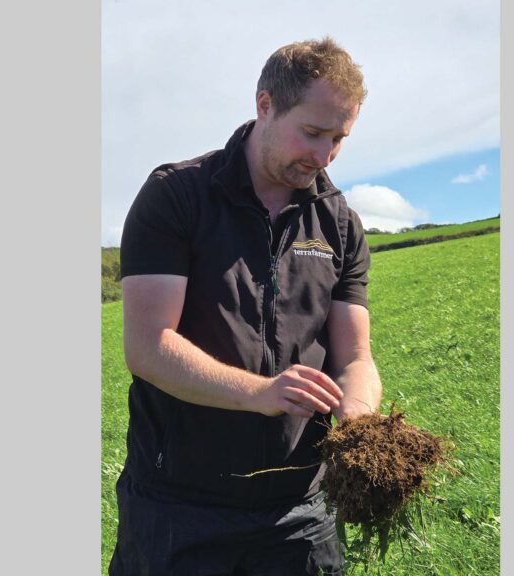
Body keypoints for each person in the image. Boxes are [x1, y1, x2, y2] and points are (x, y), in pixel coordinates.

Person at [109, 37, 382, 576]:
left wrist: (359, 414)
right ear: (265, 105)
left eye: (338, 139)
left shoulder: (339, 223)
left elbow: (355, 357)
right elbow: (147, 346)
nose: (324, 155)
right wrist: (260, 393)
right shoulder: (178, 196)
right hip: (180, 504)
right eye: (312, 133)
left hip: (300, 510)